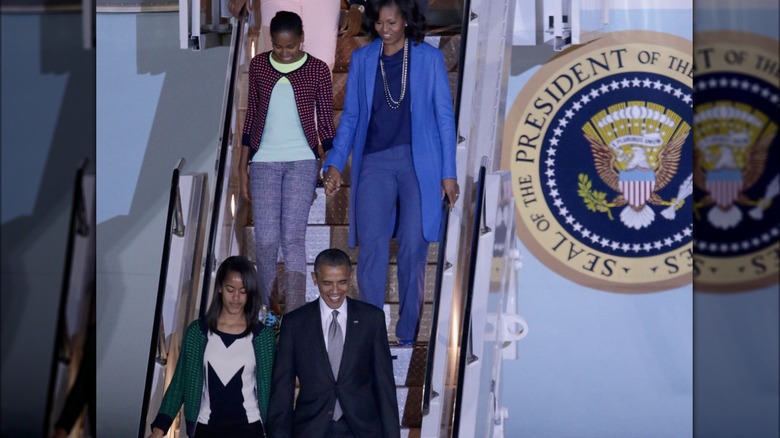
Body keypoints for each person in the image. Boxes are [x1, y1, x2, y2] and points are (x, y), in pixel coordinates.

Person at [322, 0, 459, 346]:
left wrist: (449, 172)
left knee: (414, 244)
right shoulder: (363, 59)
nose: (385, 29)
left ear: (406, 22)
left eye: (392, 23)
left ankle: (408, 331)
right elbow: (351, 117)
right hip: (374, 162)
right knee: (372, 246)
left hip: (419, 163)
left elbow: (444, 118)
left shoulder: (428, 59)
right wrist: (334, 163)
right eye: (380, 23)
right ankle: (370, 331)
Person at [239, 11, 336, 313]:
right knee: (266, 240)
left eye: (290, 46)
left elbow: (326, 125)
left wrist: (329, 163)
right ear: (270, 41)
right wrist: (243, 167)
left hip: (303, 161)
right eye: (278, 46)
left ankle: (295, 315)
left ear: (301, 39)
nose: (283, 53)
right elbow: (250, 116)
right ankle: (266, 311)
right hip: (264, 161)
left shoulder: (318, 70)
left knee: (292, 238)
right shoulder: (258, 66)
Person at [267, 248, 400, 438]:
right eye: (327, 283)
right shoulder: (295, 323)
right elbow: (282, 390)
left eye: (342, 282)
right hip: (311, 429)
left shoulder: (372, 319)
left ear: (351, 276)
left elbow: (385, 386)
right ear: (314, 278)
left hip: (361, 430)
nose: (335, 291)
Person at [148, 256, 275, 438]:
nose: (236, 298)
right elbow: (179, 384)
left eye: (243, 291)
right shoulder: (198, 333)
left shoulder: (262, 336)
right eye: (230, 289)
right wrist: (159, 430)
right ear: (220, 288)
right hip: (205, 428)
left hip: (249, 429)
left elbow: (271, 389)